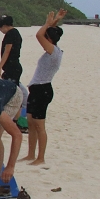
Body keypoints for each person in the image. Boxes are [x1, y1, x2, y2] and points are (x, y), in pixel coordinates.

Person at [22, 9, 66, 165]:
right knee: (31, 123)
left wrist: (48, 23)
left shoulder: (53, 52)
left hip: (43, 90)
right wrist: (55, 22)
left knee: (40, 126)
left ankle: (40, 157)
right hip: (37, 89)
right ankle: (30, 154)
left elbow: (39, 35)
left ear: (49, 40)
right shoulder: (53, 49)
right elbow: (47, 34)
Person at [0, 15, 23, 82]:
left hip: (12, 67)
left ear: (4, 26)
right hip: (15, 65)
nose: (1, 31)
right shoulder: (16, 32)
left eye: (0, 28)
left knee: (10, 88)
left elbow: (7, 51)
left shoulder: (10, 34)